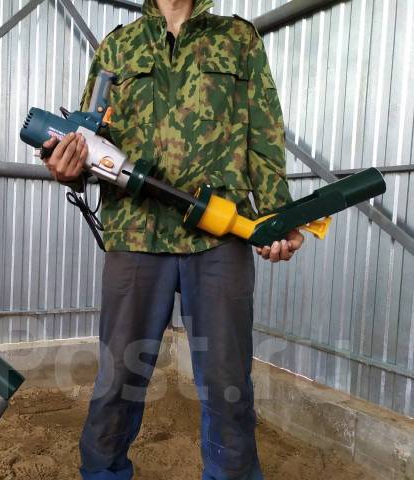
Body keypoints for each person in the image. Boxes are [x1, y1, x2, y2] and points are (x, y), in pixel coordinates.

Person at [41, 0, 304, 478]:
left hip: (219, 235)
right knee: (118, 380)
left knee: (228, 385)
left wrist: (275, 217)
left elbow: (264, 134)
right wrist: (67, 167)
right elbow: (89, 139)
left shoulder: (237, 39)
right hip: (135, 232)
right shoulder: (118, 46)